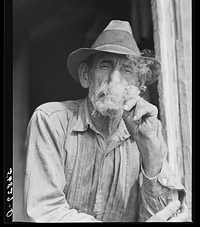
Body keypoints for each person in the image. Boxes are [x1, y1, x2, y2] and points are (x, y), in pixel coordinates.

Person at [24, 20, 188, 222]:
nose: (115, 79)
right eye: (105, 65)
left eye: (127, 70)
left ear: (138, 85)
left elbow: (169, 214)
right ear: (86, 76)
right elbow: (45, 212)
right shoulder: (51, 121)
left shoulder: (148, 132)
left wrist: (150, 151)